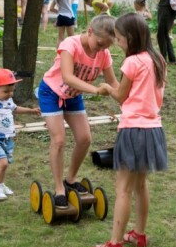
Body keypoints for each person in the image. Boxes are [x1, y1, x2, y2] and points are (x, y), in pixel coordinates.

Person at [93, 13, 168, 247]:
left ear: (131, 37)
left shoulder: (132, 62)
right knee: (140, 185)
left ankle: (114, 245)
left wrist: (107, 89)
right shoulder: (157, 59)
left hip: (133, 129)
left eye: (119, 37)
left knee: (123, 188)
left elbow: (122, 96)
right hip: (153, 128)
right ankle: (139, 233)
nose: (116, 41)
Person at [37, 15, 119, 208]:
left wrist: (129, 103)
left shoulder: (103, 54)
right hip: (51, 93)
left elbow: (113, 83)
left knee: (85, 139)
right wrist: (96, 90)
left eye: (106, 46)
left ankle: (70, 180)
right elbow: (67, 77)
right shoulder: (69, 45)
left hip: (73, 97)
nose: (101, 49)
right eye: (99, 43)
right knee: (59, 140)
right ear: (89, 31)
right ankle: (59, 189)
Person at [0, 69, 40, 201]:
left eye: (12, 91)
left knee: (6, 164)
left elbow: (16, 109)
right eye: (6, 91)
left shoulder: (9, 101)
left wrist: (31, 111)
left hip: (7, 139)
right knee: (2, 163)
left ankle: (1, 184)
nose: (9, 94)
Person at [148, 0, 176, 65]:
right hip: (162, 7)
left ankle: (164, 59)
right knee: (164, 34)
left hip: (168, 9)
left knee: (161, 35)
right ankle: (171, 59)